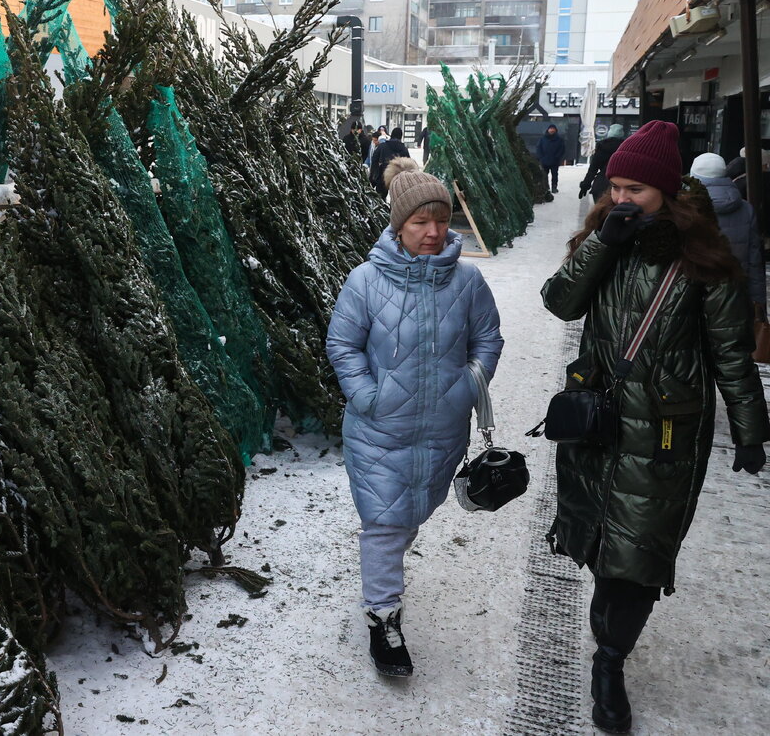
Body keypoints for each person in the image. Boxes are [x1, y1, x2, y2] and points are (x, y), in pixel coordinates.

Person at [541, 120, 769, 734]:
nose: (621, 199)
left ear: (667, 191)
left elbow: (730, 355)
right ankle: (608, 633)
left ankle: (610, 662)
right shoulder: (604, 241)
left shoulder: (704, 260)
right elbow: (559, 301)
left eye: (636, 188)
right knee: (599, 541)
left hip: (663, 435)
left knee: (637, 557)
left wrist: (751, 429)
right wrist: (603, 245)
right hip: (596, 423)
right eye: (615, 185)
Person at [327, 157, 503, 678]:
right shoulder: (364, 282)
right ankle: (384, 620)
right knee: (384, 524)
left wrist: (469, 384)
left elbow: (488, 337)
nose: (432, 232)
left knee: (410, 517)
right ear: (397, 226)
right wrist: (368, 397)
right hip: (378, 430)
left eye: (441, 221)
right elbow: (343, 346)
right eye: (419, 222)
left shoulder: (467, 282)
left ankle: (385, 586)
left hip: (442, 432)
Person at [690, 152, 766, 316]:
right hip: (734, 294)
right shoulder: (746, 208)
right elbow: (754, 260)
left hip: (690, 292)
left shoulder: (684, 205)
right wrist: (759, 300)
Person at [579, 124, 625, 202]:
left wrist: (585, 186)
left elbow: (593, 170)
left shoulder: (602, 147)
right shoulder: (626, 148)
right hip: (619, 185)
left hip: (601, 185)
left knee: (600, 212)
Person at [368, 127, 411, 197]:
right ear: (401, 137)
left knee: (380, 199)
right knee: (396, 199)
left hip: (382, 176)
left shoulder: (382, 146)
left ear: (391, 135)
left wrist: (374, 175)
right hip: (398, 179)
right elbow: (408, 164)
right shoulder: (404, 149)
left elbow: (374, 159)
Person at [536, 124, 566, 194]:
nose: (552, 130)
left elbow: (562, 149)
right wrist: (541, 157)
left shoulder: (559, 139)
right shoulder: (542, 139)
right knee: (544, 175)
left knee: (554, 175)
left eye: (553, 129)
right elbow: (538, 148)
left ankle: (554, 187)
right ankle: (545, 188)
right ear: (548, 130)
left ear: (555, 130)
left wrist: (557, 157)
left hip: (555, 161)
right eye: (550, 129)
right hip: (544, 161)